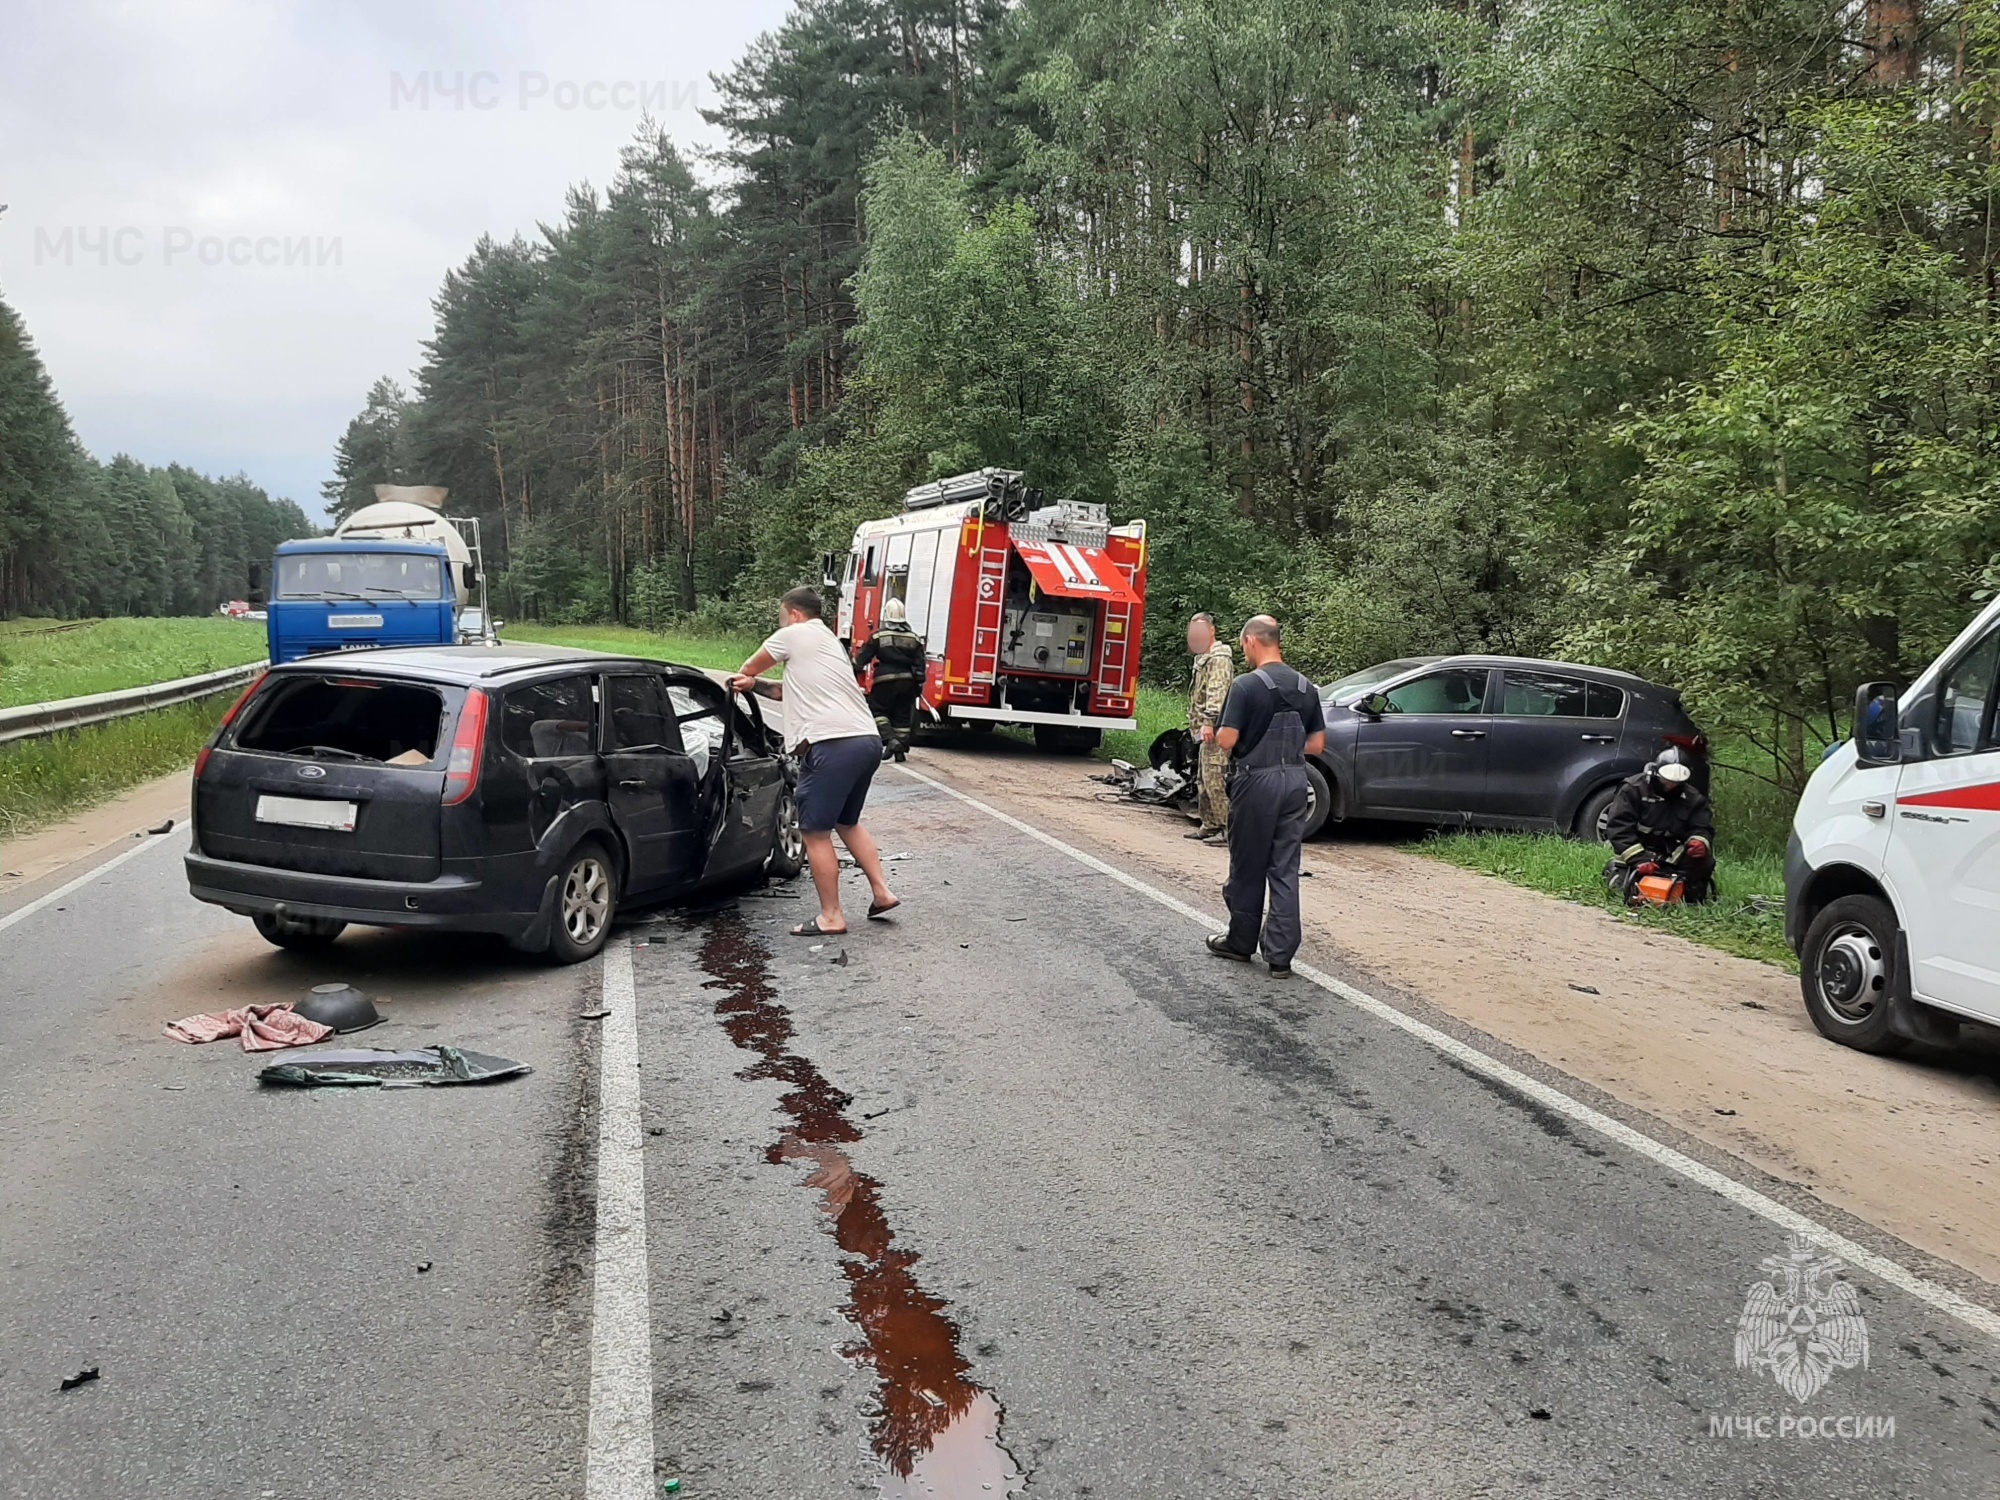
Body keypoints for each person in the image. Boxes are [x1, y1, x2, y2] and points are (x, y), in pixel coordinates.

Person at [731, 587, 901, 936]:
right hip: (866, 741)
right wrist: (755, 687)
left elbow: (749, 666)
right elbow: (782, 691)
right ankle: (882, 892)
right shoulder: (829, 644)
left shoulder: (793, 634)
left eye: (782, 614)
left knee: (813, 831)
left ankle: (831, 916)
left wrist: (742, 679)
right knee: (846, 821)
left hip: (831, 745)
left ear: (793, 613)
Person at [1205, 616, 1325, 977]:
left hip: (1256, 782)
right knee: (1285, 868)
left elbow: (1226, 739)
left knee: (1247, 866)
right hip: (1295, 782)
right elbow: (1317, 744)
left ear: (1251, 641)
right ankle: (1281, 957)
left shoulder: (1246, 686)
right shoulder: (1306, 687)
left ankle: (1240, 943)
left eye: (1243, 645)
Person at [1602, 747, 1716, 904]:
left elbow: (1702, 826)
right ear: (1655, 773)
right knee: (1627, 886)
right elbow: (1619, 827)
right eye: (1666, 781)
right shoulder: (1633, 790)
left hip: (1671, 850)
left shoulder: (1693, 799)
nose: (1670, 786)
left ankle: (1691, 899)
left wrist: (1699, 841)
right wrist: (1639, 859)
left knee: (1704, 863)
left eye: (1676, 783)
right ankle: (1624, 878)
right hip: (1639, 847)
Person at [853, 597, 927, 761]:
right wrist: (919, 682)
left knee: (877, 710)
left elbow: (862, 658)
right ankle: (900, 750)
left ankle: (890, 739)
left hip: (884, 680)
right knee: (902, 716)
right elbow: (920, 663)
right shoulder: (914, 638)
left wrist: (853, 670)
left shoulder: (879, 636)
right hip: (907, 681)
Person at [1185, 613, 1235, 844]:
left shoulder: (1219, 659)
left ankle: (1226, 827)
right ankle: (1210, 823)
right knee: (1203, 778)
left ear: (1212, 632)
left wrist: (1209, 721)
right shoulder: (1204, 659)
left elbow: (1217, 692)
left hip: (1215, 729)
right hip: (1204, 731)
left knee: (1216, 779)